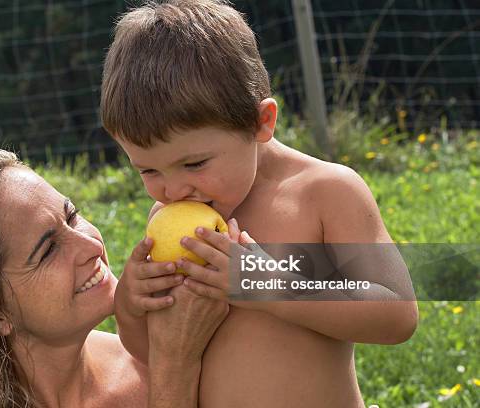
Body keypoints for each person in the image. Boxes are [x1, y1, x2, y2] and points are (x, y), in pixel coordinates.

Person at [100, 1, 419, 406]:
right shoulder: (170, 219)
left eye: (194, 163)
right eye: (148, 171)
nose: (174, 190)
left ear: (261, 123)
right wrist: (130, 306)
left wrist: (272, 286)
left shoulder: (322, 193)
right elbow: (157, 355)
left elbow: (396, 313)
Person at [0, 143, 228, 407]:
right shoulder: (171, 358)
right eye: (48, 250)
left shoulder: (150, 354)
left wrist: (248, 274)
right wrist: (175, 370)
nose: (90, 245)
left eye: (72, 215)